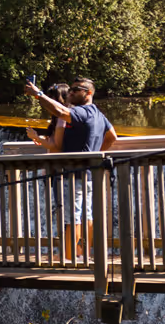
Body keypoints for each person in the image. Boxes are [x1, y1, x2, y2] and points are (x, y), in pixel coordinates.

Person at [24, 77, 118, 262]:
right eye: (71, 89)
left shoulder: (82, 112)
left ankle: (68, 258)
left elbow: (59, 110)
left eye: (77, 89)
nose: (72, 92)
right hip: (90, 173)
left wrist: (38, 94)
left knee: (72, 216)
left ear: (88, 93)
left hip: (73, 174)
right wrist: (96, 153)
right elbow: (112, 136)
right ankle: (85, 254)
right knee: (86, 214)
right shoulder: (99, 114)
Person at [25, 83, 70, 152]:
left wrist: (36, 137)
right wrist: (42, 138)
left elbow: (55, 146)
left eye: (52, 99)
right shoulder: (57, 118)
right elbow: (54, 139)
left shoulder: (62, 119)